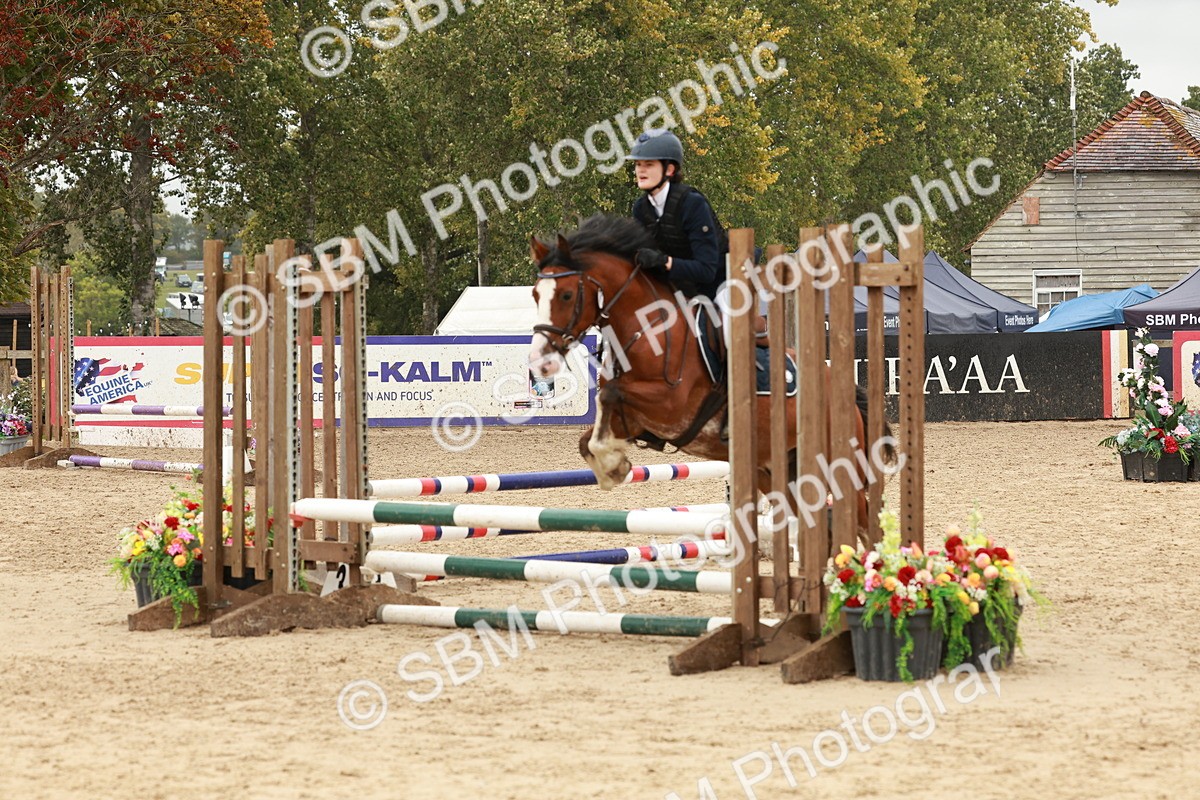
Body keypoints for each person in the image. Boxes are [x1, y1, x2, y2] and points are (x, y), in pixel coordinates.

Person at [627, 129, 724, 303]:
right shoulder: (641, 208)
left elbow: (707, 270)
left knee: (725, 316)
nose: (640, 170)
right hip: (680, 286)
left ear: (669, 169)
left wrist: (664, 262)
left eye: (649, 165)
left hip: (720, 281)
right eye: (638, 164)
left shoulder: (692, 204)